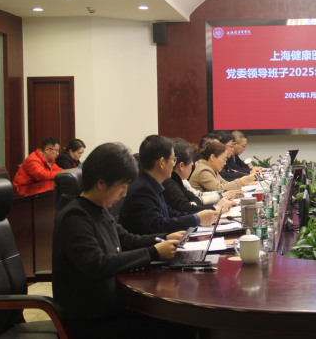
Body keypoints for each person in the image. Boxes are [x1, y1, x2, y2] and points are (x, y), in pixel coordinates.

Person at [52, 142, 196, 339]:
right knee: (180, 325)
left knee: (181, 319)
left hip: (113, 307)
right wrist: (153, 252)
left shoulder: (98, 209)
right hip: (90, 321)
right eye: (122, 186)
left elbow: (127, 239)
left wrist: (164, 238)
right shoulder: (75, 216)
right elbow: (97, 264)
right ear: (101, 183)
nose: (124, 194)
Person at [119, 135, 218, 235]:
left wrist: (200, 216)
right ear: (162, 162)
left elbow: (171, 213)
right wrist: (196, 219)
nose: (174, 164)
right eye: (173, 159)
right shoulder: (142, 190)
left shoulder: (152, 184)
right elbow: (159, 225)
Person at [163, 138, 239, 213]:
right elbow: (186, 208)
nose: (193, 164)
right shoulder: (169, 183)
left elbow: (195, 198)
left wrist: (221, 195)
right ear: (181, 166)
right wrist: (217, 207)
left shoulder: (180, 180)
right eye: (191, 162)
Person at [190, 141, 256, 191]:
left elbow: (224, 184)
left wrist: (246, 184)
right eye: (224, 159)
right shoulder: (203, 171)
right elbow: (219, 189)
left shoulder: (212, 168)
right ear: (212, 157)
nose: (225, 163)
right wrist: (241, 181)